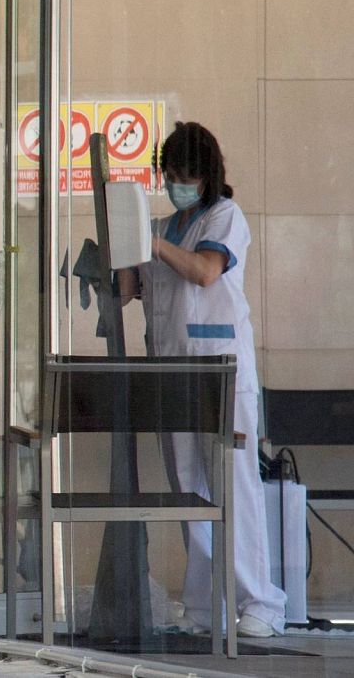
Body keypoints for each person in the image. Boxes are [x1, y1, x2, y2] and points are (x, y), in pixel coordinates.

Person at [126, 121, 286, 638]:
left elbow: (205, 271)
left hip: (222, 373)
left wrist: (148, 242)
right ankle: (202, 605)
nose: (176, 183)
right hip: (173, 374)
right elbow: (133, 286)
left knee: (232, 485)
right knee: (187, 492)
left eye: (184, 174)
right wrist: (117, 249)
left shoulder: (225, 216)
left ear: (207, 175)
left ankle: (260, 602)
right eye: (169, 174)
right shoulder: (167, 226)